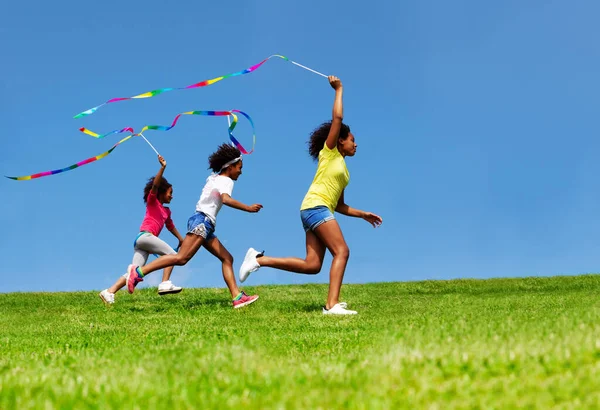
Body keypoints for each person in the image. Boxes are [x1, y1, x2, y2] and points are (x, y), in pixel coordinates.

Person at [238, 76, 383, 315]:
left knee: (313, 265)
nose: (356, 145)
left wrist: (363, 214)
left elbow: (340, 205)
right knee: (342, 251)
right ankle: (331, 305)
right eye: (352, 140)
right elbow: (338, 118)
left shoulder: (344, 171)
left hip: (315, 209)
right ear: (340, 141)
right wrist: (339, 89)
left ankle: (258, 260)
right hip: (315, 208)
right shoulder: (330, 153)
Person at [125, 144, 262, 309]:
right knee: (181, 258)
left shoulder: (214, 178)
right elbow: (225, 199)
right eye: (239, 167)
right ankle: (138, 273)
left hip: (205, 223)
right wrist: (248, 208)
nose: (241, 171)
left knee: (227, 258)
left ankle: (237, 297)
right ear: (230, 167)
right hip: (203, 222)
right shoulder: (225, 180)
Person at [99, 155, 185, 305]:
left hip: (143, 242)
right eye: (170, 192)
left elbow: (170, 226)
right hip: (145, 237)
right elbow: (155, 186)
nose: (172, 196)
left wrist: (180, 239)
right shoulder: (153, 202)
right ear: (162, 193)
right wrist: (163, 168)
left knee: (134, 275)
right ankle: (165, 283)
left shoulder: (167, 212)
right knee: (173, 256)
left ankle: (109, 292)